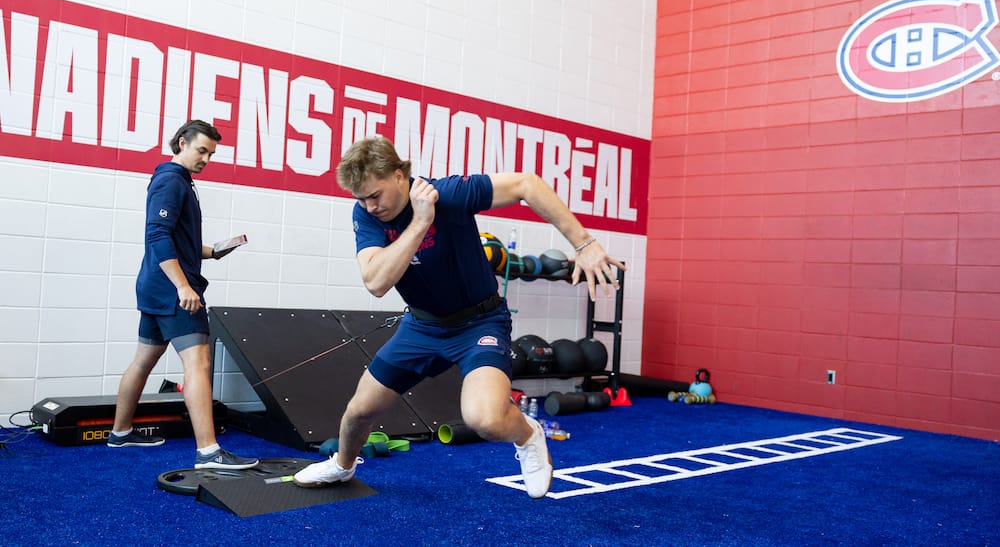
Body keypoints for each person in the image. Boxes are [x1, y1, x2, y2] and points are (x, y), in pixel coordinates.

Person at [292, 136, 625, 498]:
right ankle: (342, 466)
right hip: (421, 327)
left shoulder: (449, 194)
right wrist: (420, 223)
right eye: (361, 199)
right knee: (358, 411)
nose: (369, 206)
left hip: (479, 323)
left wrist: (584, 243)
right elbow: (375, 282)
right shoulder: (367, 215)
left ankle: (529, 434)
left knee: (486, 420)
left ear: (399, 176)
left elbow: (526, 184)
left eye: (375, 195)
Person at [108, 119, 258, 470]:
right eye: (201, 150)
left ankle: (120, 432)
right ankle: (209, 452)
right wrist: (182, 286)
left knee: (144, 360)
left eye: (211, 154)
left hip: (155, 286)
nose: (206, 158)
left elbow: (177, 240)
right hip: (171, 290)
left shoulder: (181, 182)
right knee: (199, 362)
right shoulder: (171, 180)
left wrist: (212, 251)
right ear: (181, 143)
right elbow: (157, 235)